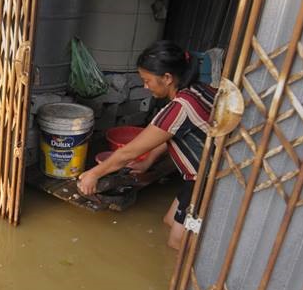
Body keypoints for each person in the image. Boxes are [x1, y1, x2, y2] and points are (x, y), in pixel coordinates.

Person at [77, 40, 216, 250]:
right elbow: (169, 134)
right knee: (169, 222)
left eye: (147, 80)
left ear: (167, 78)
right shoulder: (198, 90)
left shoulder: (180, 108)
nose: (145, 86)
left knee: (178, 241)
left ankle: (190, 276)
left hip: (205, 182)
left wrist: (93, 174)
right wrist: (148, 161)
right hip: (197, 178)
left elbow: (128, 152)